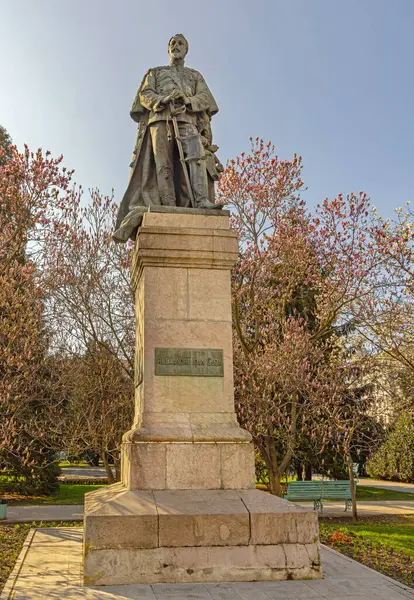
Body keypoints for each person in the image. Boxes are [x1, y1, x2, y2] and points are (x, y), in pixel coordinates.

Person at [114, 34, 223, 242]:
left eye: (180, 43)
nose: (176, 46)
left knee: (196, 156)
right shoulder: (155, 72)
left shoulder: (195, 75)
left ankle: (201, 201)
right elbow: (144, 95)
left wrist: (188, 100)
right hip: (160, 120)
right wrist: (163, 99)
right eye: (173, 43)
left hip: (187, 119)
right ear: (168, 49)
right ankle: (168, 204)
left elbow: (205, 98)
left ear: (186, 50)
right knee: (163, 166)